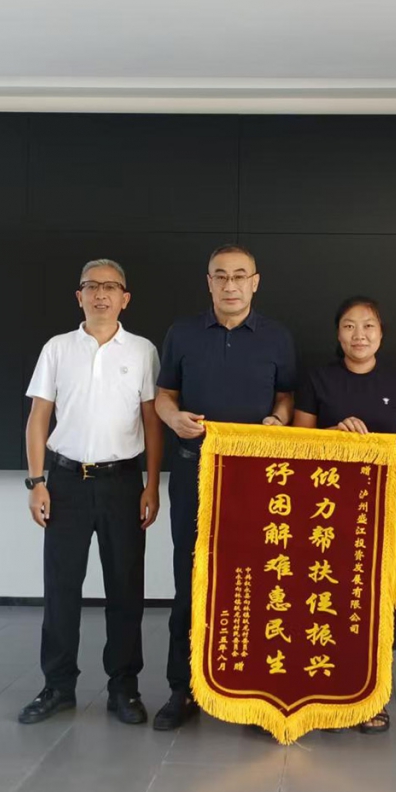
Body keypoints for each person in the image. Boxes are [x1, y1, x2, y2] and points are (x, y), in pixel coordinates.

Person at [153, 244, 297, 730]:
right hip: (194, 471)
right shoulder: (182, 333)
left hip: (257, 478)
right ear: (209, 282)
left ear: (255, 282)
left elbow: (286, 394)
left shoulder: (277, 336)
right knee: (191, 577)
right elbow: (164, 394)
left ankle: (253, 692)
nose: (230, 285)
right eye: (221, 276)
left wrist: (280, 418)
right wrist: (173, 418)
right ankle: (183, 688)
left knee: (257, 581)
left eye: (240, 276)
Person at [18, 258, 163, 726]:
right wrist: (36, 482)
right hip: (65, 483)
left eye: (111, 286)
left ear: (125, 298)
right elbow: (39, 418)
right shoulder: (58, 348)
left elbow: (152, 423)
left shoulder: (142, 351)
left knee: (126, 589)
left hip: (123, 484)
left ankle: (124, 688)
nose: (101, 294)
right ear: (78, 296)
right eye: (92, 286)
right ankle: (58, 686)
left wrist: (152, 485)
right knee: (61, 588)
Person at [293, 296, 396, 734]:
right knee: (328, 588)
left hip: (383, 504)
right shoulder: (318, 379)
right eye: (349, 326)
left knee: (378, 589)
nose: (359, 335)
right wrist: (334, 433)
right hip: (327, 506)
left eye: (368, 326)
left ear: (381, 333)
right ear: (338, 334)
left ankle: (372, 694)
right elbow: (299, 441)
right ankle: (323, 686)